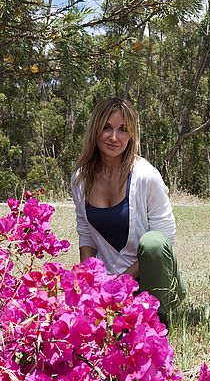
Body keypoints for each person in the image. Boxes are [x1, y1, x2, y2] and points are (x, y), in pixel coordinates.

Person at [71, 96, 186, 325]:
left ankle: (159, 317)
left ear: (131, 135)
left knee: (153, 242)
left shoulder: (146, 176)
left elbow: (164, 242)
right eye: (107, 128)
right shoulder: (81, 179)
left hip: (152, 279)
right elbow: (85, 233)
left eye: (123, 130)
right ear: (95, 130)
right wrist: (89, 281)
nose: (114, 137)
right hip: (111, 286)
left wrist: (123, 280)